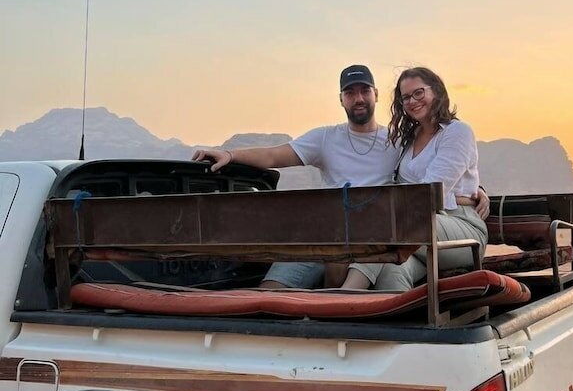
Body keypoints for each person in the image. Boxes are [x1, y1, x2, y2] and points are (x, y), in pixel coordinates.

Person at [192, 64, 489, 289]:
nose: (358, 98)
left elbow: (434, 185)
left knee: (384, 227)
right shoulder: (332, 139)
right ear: (341, 99)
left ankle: (348, 300)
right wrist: (230, 154)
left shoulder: (395, 141)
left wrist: (474, 193)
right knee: (274, 288)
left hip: (389, 232)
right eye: (350, 92)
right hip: (335, 234)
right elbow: (274, 156)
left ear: (375, 95)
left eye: (364, 91)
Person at [340, 66, 489, 292]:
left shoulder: (457, 132)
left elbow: (428, 192)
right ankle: (393, 322)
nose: (412, 101)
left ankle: (346, 293)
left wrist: (476, 191)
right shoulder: (408, 140)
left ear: (436, 91)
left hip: (461, 229)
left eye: (418, 93)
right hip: (415, 233)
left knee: (390, 221)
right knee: (392, 268)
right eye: (405, 97)